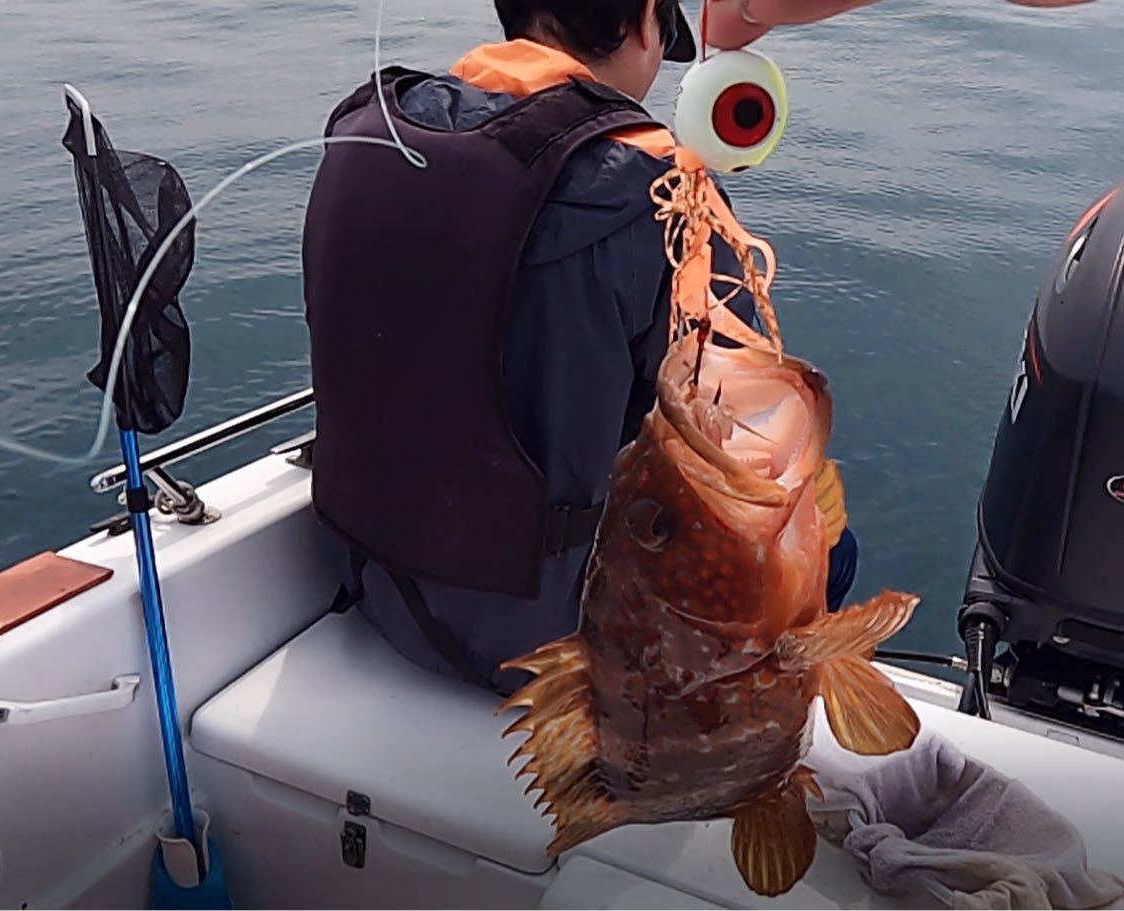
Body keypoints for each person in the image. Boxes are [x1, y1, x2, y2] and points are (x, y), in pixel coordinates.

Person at [301, 0, 1086, 696]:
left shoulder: (377, 127)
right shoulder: (657, 189)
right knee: (822, 539)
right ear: (644, 21)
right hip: (547, 659)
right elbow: (754, 456)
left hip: (371, 582)